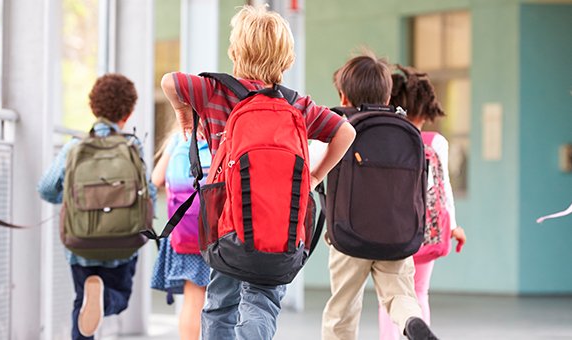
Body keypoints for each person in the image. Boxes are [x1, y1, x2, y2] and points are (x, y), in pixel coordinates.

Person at [160, 5, 355, 340]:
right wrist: (314, 177)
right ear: (287, 59)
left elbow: (170, 82)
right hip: (280, 230)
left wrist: (185, 117)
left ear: (234, 52)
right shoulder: (297, 106)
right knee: (261, 302)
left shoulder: (213, 91)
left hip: (227, 228)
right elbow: (346, 133)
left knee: (220, 306)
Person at [321, 53, 439, 340]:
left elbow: (315, 167)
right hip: (397, 234)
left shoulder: (340, 127)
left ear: (343, 96)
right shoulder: (405, 130)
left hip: (349, 235)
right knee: (399, 294)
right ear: (387, 97)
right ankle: (411, 319)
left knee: (342, 311)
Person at [37, 73, 155, 340]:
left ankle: (94, 299)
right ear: (128, 111)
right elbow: (148, 194)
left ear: (93, 107)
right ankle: (105, 301)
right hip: (123, 242)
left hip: (81, 242)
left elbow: (45, 187)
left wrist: (72, 201)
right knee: (119, 298)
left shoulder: (74, 147)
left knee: (82, 303)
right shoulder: (132, 146)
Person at [377, 65, 467, 340]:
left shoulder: (386, 139)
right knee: (419, 291)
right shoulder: (435, 142)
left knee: (391, 296)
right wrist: (453, 226)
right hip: (426, 232)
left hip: (391, 229)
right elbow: (443, 189)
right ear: (426, 109)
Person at [150, 123, 212, 340]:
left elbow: (156, 178)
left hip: (185, 232)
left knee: (193, 299)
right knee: (227, 300)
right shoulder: (223, 134)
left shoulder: (178, 140)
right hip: (219, 234)